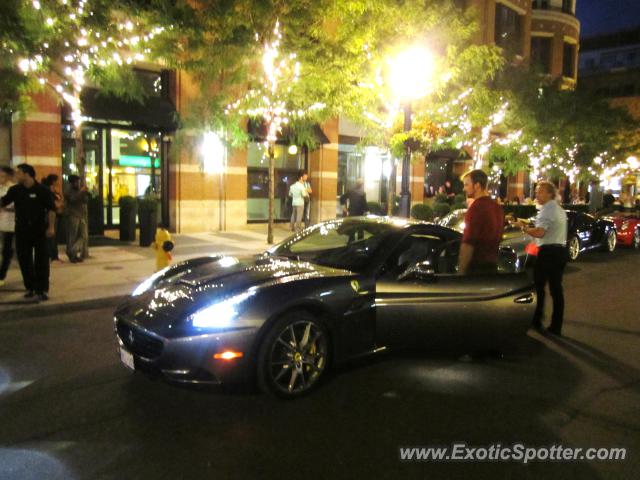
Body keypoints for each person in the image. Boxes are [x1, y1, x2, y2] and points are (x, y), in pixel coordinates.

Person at [514, 181, 568, 336]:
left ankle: (536, 319)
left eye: (541, 192)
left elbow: (540, 233)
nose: (537, 194)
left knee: (539, 287)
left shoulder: (547, 210)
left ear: (550, 194)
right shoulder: (559, 209)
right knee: (556, 289)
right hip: (560, 251)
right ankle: (556, 325)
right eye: (537, 191)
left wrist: (523, 228)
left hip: (548, 252)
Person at [0, 164, 56, 301]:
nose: (16, 175)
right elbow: (3, 202)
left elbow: (51, 209)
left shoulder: (42, 190)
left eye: (19, 173)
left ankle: (42, 289)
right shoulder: (15, 190)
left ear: (27, 174)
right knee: (24, 260)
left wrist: (51, 227)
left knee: (41, 260)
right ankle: (30, 287)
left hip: (39, 230)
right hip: (21, 230)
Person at [458, 169, 504, 275]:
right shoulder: (497, 208)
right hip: (492, 268)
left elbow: (468, 244)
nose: (464, 188)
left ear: (477, 185)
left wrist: (460, 273)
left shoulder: (475, 208)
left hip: (476, 269)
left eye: (466, 185)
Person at [64, 174, 89, 262]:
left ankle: (71, 251)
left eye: (79, 182)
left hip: (81, 215)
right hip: (72, 215)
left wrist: (85, 193)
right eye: (77, 182)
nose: (78, 184)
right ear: (72, 183)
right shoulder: (68, 190)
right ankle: (72, 255)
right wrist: (81, 192)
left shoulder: (79, 189)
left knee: (84, 235)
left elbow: (85, 201)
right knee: (72, 236)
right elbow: (72, 199)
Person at [42, 174, 63, 263]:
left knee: (53, 237)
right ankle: (52, 256)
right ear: (53, 181)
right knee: (52, 237)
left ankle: (53, 255)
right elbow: (54, 205)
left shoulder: (53, 190)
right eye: (57, 180)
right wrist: (60, 201)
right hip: (52, 217)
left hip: (56, 216)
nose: (58, 182)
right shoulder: (49, 191)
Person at [0, 166, 16, 287]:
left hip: (9, 225)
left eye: (3, 175)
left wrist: (5, 208)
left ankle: (2, 274)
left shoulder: (13, 188)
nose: (1, 178)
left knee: (7, 250)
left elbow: (16, 206)